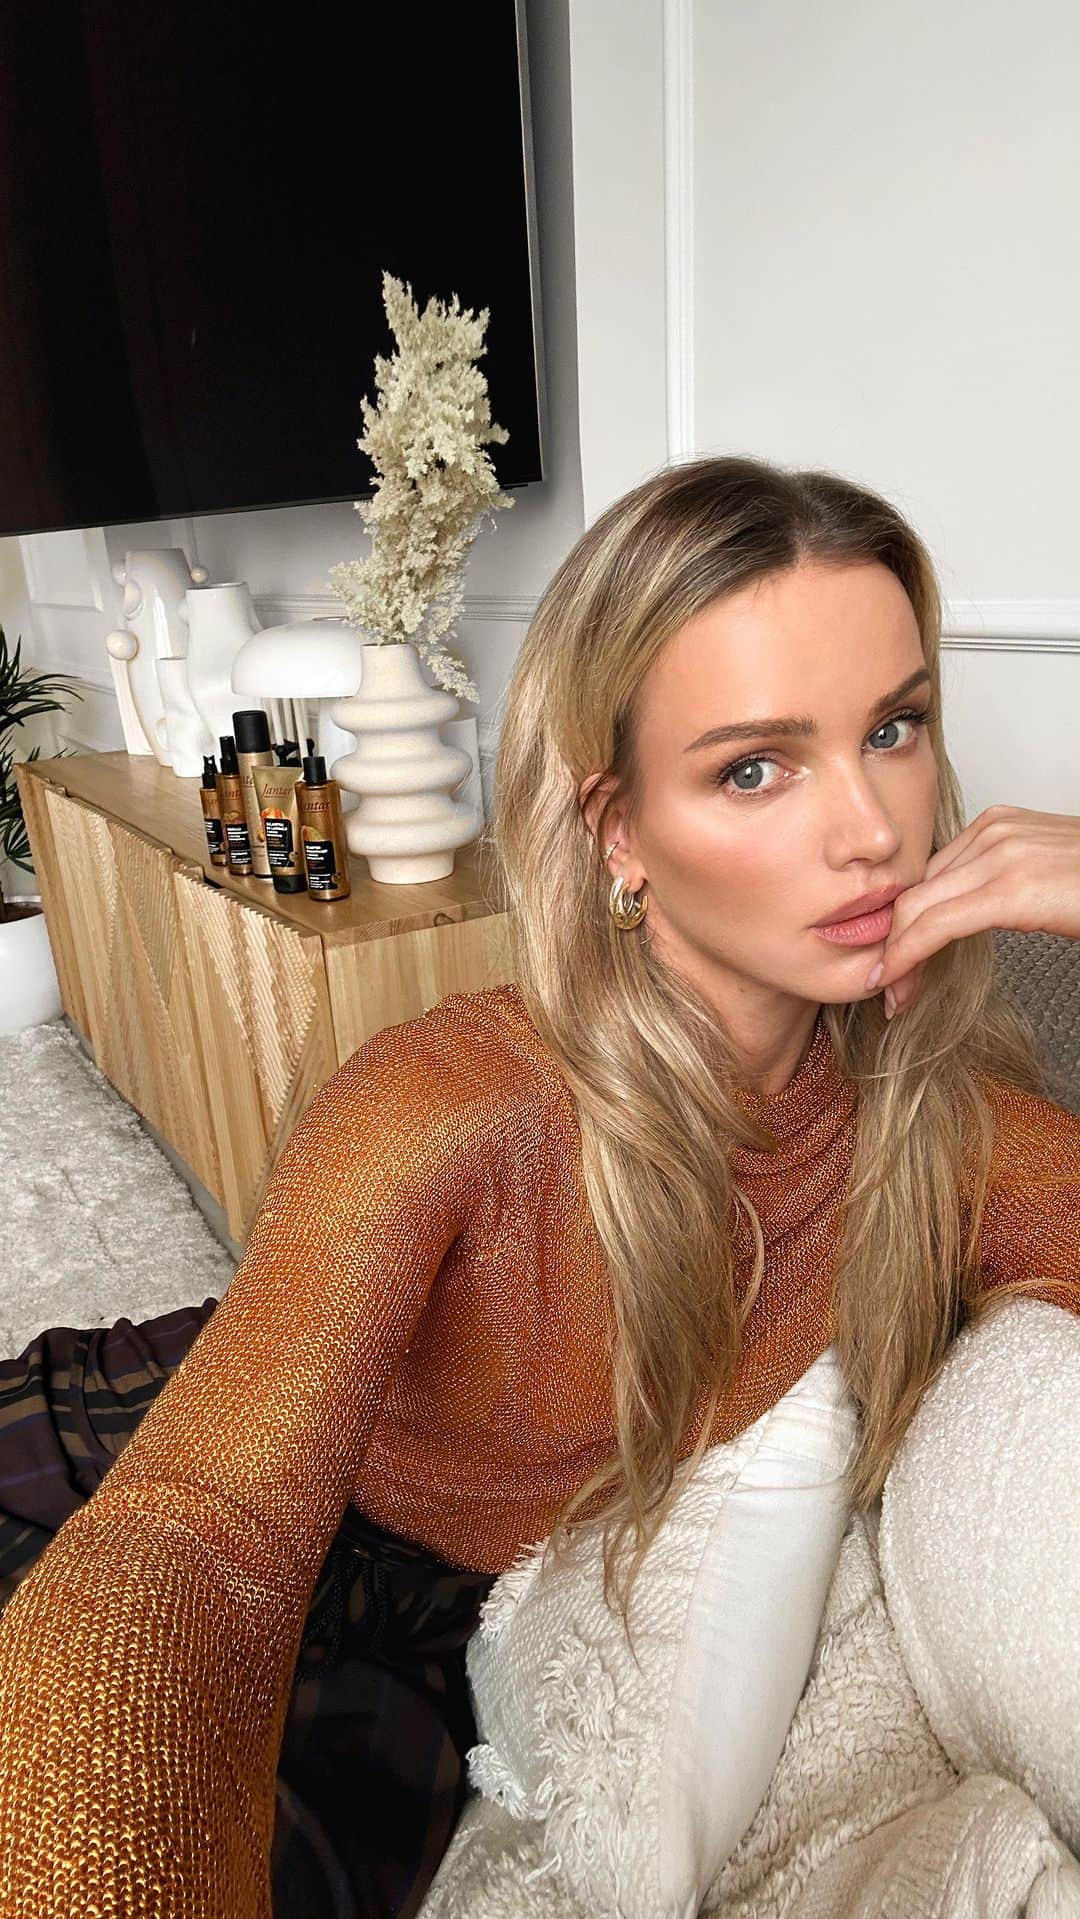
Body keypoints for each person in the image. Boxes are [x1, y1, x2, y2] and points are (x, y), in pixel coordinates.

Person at [0, 454, 1078, 1919]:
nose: (874, 830)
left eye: (894, 729)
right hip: (234, 1458)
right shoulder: (450, 1105)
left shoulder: (943, 1126)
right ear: (618, 831)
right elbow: (197, 1536)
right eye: (754, 767)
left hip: (462, 1636)